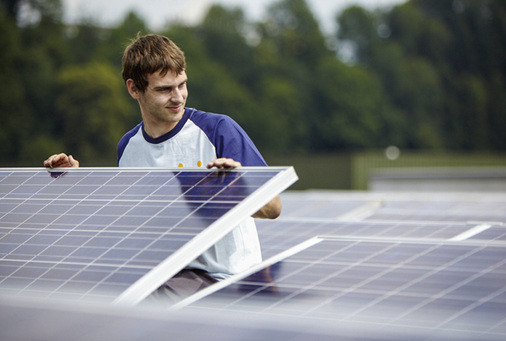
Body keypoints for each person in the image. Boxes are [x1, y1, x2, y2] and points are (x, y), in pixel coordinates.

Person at [44, 33, 281, 303]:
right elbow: (130, 219)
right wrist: (78, 181)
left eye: (182, 85)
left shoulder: (218, 130)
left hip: (230, 280)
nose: (178, 97)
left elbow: (274, 208)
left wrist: (235, 187)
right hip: (171, 277)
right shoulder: (128, 147)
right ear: (134, 89)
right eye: (164, 89)